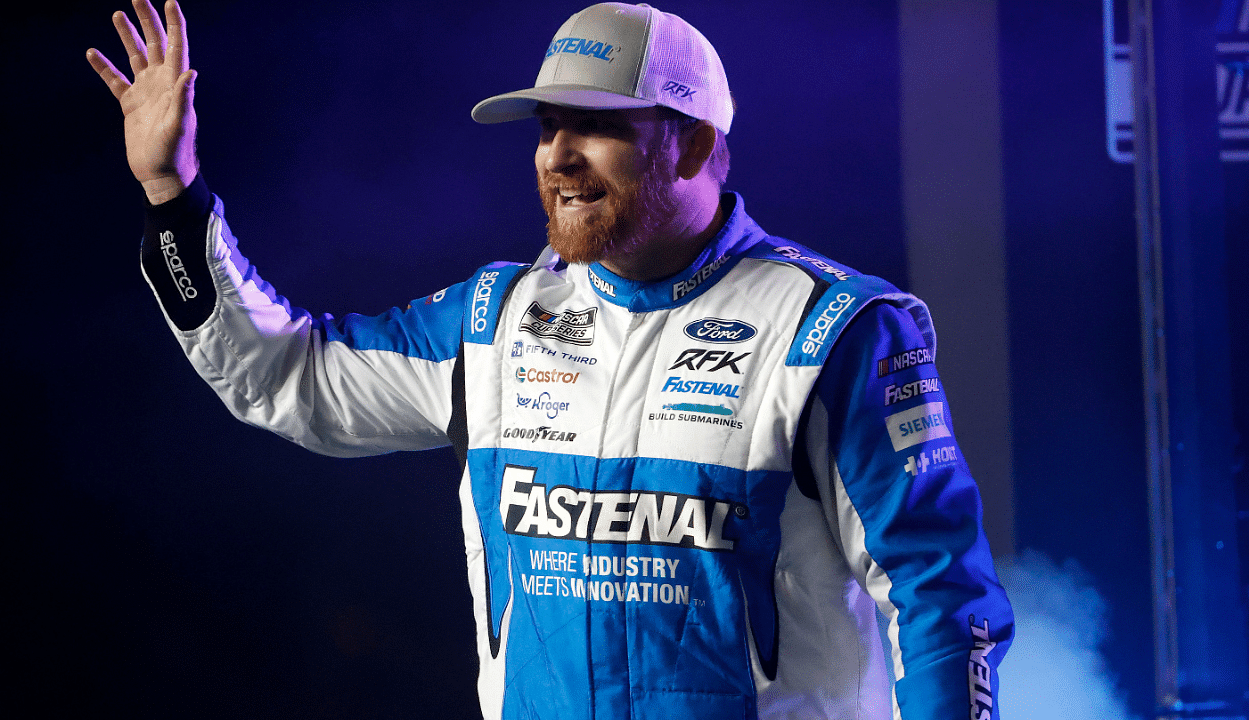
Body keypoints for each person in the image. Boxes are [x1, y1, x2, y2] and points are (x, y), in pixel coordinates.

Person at [88, 1, 1014, 718]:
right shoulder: (495, 321)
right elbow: (288, 377)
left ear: (693, 144)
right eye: (545, 127)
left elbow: (943, 605)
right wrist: (172, 193)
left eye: (596, 126)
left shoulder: (836, 329)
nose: (558, 157)